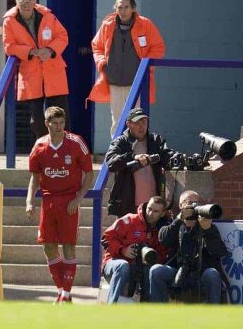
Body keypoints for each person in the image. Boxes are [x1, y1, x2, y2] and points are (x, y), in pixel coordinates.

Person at [26, 106, 93, 303]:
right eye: (54, 123)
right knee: (48, 247)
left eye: (62, 123)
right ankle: (63, 291)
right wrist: (30, 201)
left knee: (69, 247)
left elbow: (89, 174)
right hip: (48, 201)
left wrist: (79, 198)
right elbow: (35, 178)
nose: (59, 127)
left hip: (69, 201)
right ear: (47, 123)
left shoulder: (76, 143)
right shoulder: (39, 146)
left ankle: (66, 294)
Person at [88, 0, 165, 137]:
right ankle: (116, 155)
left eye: (126, 7)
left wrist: (146, 67)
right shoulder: (108, 25)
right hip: (115, 82)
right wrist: (103, 65)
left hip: (138, 83)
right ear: (115, 9)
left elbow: (158, 47)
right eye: (120, 7)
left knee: (138, 121)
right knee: (117, 121)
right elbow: (96, 46)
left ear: (133, 8)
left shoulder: (145, 24)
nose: (123, 11)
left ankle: (137, 154)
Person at [2, 0, 70, 139]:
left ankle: (63, 150)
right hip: (31, 74)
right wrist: (30, 51)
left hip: (53, 72)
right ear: (16, 3)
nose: (26, 5)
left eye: (29, 1)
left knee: (60, 116)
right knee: (37, 121)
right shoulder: (9, 21)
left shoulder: (47, 16)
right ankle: (43, 150)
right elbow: (9, 46)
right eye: (22, 2)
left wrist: (50, 50)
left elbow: (63, 36)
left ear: (35, 2)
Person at [150, 190, 229, 304]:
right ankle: (158, 314)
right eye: (189, 203)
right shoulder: (172, 224)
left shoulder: (206, 225)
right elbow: (164, 239)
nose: (193, 206)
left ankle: (213, 316)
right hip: (178, 271)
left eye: (196, 203)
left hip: (201, 271)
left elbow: (220, 252)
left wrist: (208, 230)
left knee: (212, 274)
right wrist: (179, 220)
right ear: (180, 205)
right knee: (156, 270)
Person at [105, 107, 175, 217]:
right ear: (129, 124)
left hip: (153, 206)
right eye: (137, 122)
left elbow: (168, 156)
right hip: (128, 206)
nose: (142, 126)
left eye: (144, 122)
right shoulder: (121, 142)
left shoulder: (156, 140)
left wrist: (179, 159)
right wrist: (134, 157)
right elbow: (111, 162)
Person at [100, 196, 170, 303]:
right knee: (123, 266)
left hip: (141, 270)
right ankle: (112, 308)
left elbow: (162, 255)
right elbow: (105, 239)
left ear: (163, 213)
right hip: (115, 264)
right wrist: (123, 250)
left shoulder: (162, 231)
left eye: (156, 211)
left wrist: (150, 259)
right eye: (149, 208)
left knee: (154, 271)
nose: (150, 213)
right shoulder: (129, 220)